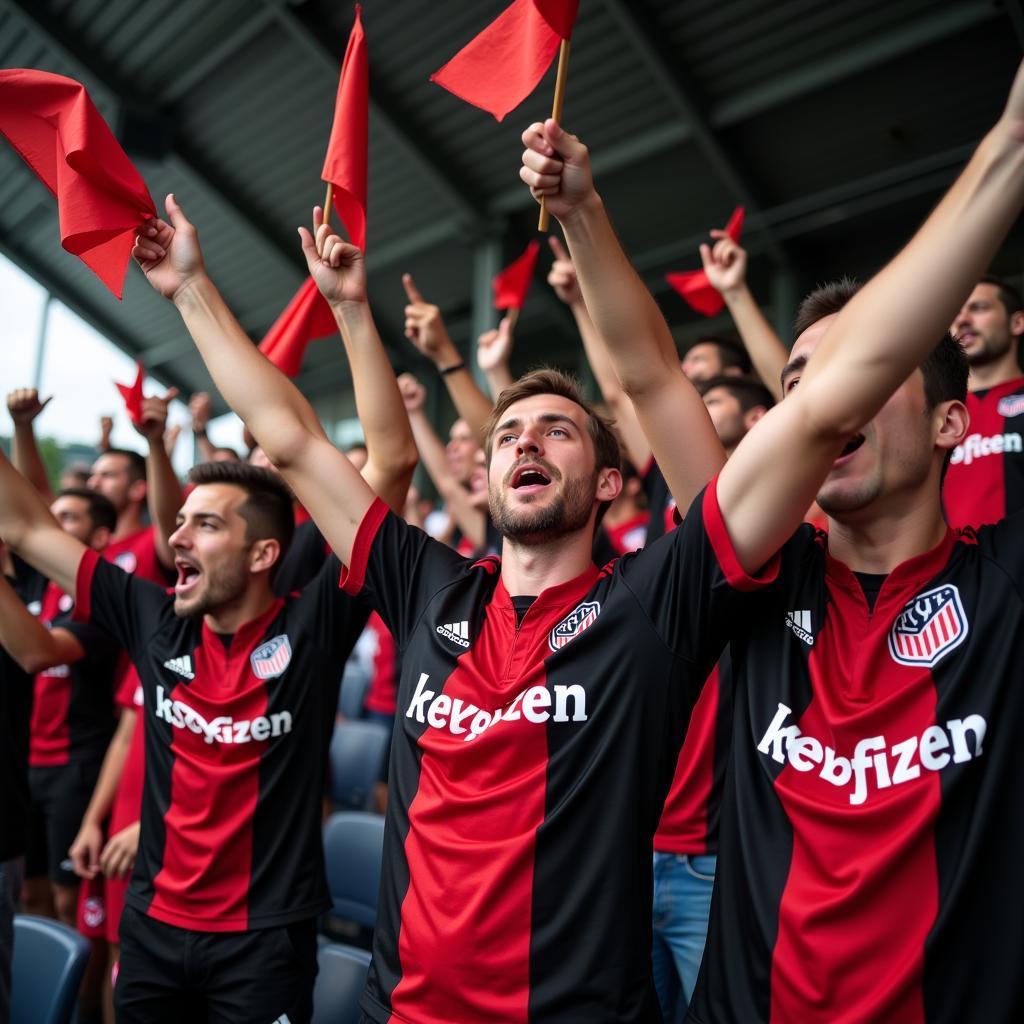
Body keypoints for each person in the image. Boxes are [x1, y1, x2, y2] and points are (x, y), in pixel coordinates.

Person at [520, 55, 1024, 1024]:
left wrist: (1007, 143)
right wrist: (583, 213)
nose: (817, 404)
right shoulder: (753, 577)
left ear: (957, 425)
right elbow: (653, 380)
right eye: (796, 384)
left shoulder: (1005, 584)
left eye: (851, 375)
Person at [945, 275, 1024, 526]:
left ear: (1017, 322)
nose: (962, 319)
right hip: (955, 564)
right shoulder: (930, 415)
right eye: (955, 312)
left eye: (978, 308)